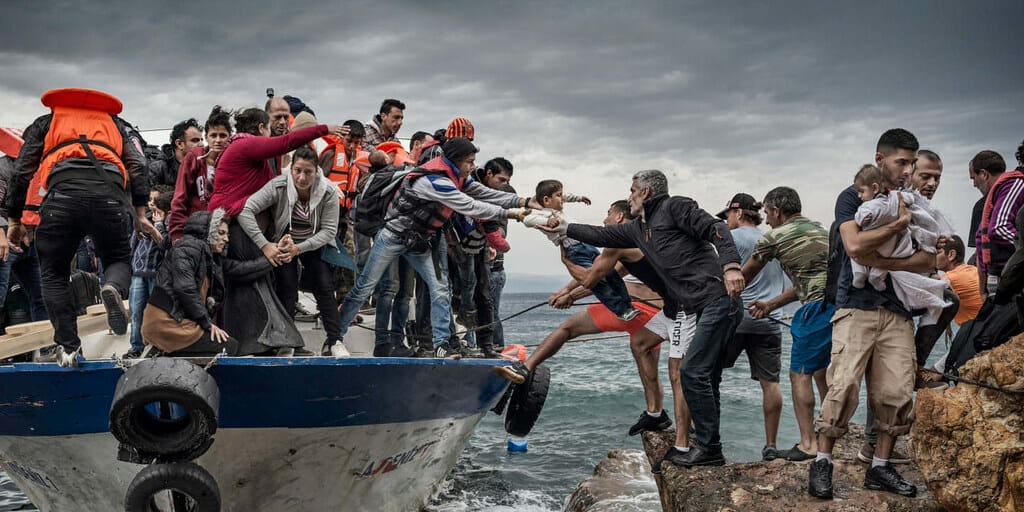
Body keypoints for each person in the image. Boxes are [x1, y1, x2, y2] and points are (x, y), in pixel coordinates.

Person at [548, 169, 745, 468]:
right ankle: (709, 447)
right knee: (706, 376)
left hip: (718, 301)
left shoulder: (675, 207)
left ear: (645, 193)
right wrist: (564, 227)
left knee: (692, 373)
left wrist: (731, 265)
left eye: (631, 191)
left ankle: (707, 448)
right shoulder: (639, 229)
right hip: (696, 307)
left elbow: (715, 227)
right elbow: (600, 235)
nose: (629, 197)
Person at [496, 200, 689, 448]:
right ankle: (655, 413)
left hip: (634, 307)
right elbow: (603, 274)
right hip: (658, 311)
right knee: (644, 355)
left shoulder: (619, 242)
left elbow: (596, 277)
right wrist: (566, 292)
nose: (605, 218)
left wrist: (567, 277)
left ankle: (526, 367)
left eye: (608, 213)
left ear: (620, 217)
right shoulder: (644, 238)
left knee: (567, 329)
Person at [329, 137, 542, 357]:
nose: (473, 166)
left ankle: (442, 345)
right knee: (364, 287)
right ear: (455, 161)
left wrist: (523, 202)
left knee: (440, 289)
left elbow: (484, 193)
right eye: (469, 161)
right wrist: (511, 214)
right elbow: (469, 205)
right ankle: (334, 338)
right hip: (393, 236)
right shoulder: (433, 181)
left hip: (420, 241)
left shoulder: (458, 177)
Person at [809, 128, 929, 500]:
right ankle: (822, 463)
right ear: (881, 159)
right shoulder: (853, 196)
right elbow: (854, 245)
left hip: (899, 310)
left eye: (912, 163)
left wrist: (884, 262)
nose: (908, 170)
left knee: (895, 392)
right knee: (842, 386)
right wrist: (897, 226)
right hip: (856, 306)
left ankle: (879, 467)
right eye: (901, 162)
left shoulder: (915, 200)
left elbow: (929, 260)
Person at [6, 88, 160, 367]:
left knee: (53, 273)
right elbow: (138, 165)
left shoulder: (47, 122)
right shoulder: (117, 124)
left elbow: (21, 172)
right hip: (110, 199)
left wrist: (14, 219)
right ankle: (111, 286)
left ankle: (69, 346)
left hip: (61, 199)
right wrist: (140, 211)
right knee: (117, 259)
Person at [742, 187, 832, 462]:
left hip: (815, 310)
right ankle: (831, 431)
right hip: (840, 306)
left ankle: (808, 444)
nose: (766, 220)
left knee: (800, 374)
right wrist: (769, 305)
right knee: (821, 372)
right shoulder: (820, 230)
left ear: (777, 212)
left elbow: (742, 278)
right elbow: (808, 281)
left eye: (768, 214)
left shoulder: (773, 237)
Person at [237, 146, 341, 356]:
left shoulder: (328, 191)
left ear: (316, 171)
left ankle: (334, 340)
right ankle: (287, 341)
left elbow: (329, 230)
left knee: (324, 285)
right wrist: (265, 245)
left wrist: (299, 249)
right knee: (287, 287)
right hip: (284, 242)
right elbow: (245, 210)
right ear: (291, 169)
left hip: (315, 241)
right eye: (298, 171)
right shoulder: (278, 186)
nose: (302, 177)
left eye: (308, 172)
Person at [716, 193, 786, 461]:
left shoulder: (731, 240)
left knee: (708, 375)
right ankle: (771, 445)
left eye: (728, 216)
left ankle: (705, 436)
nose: (727, 221)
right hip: (768, 320)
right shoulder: (773, 240)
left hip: (735, 318)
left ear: (739, 214)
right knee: (771, 384)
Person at [142, 210, 264, 357]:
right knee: (228, 346)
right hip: (166, 322)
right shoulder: (187, 248)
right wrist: (207, 324)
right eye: (221, 233)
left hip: (180, 322)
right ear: (209, 231)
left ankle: (164, 353)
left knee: (228, 345)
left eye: (227, 235)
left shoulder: (211, 257)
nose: (226, 239)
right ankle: (162, 352)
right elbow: (185, 288)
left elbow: (240, 269)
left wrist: (272, 259)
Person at [524, 180, 640, 322]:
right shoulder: (542, 214)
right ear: (547, 200)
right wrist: (547, 222)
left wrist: (579, 198)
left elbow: (567, 197)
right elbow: (527, 220)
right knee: (595, 281)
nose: (562, 198)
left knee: (610, 273)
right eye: (558, 195)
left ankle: (628, 305)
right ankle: (621, 310)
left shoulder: (558, 207)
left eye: (561, 195)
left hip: (587, 244)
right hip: (573, 250)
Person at [850, 164, 952, 325]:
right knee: (877, 261)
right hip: (893, 243)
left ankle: (860, 276)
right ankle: (875, 277)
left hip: (881, 240)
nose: (859, 196)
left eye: (862, 191)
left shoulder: (870, 205)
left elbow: (861, 218)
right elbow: (911, 199)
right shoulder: (897, 196)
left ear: (875, 187)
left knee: (858, 258)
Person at [168, 106, 233, 241]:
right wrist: (177, 233)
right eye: (213, 135)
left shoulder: (234, 160)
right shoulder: (194, 157)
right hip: (196, 229)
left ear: (229, 137)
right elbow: (180, 196)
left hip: (225, 230)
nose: (218, 140)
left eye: (223, 135)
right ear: (207, 137)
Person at [125, 185, 173, 359]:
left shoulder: (166, 223)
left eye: (155, 200)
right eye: (149, 200)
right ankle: (136, 346)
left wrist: (158, 225)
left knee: (156, 313)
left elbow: (163, 245)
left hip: (156, 274)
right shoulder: (141, 220)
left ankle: (157, 346)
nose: (151, 204)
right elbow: (133, 245)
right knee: (136, 311)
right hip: (138, 273)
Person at [971, 150, 1021, 298]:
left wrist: (983, 291)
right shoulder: (1016, 185)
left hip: (995, 277)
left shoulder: (986, 203)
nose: (974, 184)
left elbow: (980, 244)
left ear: (984, 174)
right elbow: (999, 228)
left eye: (973, 178)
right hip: (1009, 274)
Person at [936, 235, 982, 326]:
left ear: (951, 255)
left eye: (937, 253)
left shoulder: (950, 278)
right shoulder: (973, 269)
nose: (931, 257)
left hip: (978, 330)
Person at [148, 118, 202, 187]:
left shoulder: (204, 165)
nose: (201, 144)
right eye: (195, 140)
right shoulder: (158, 169)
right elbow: (152, 195)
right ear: (179, 144)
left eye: (201, 140)